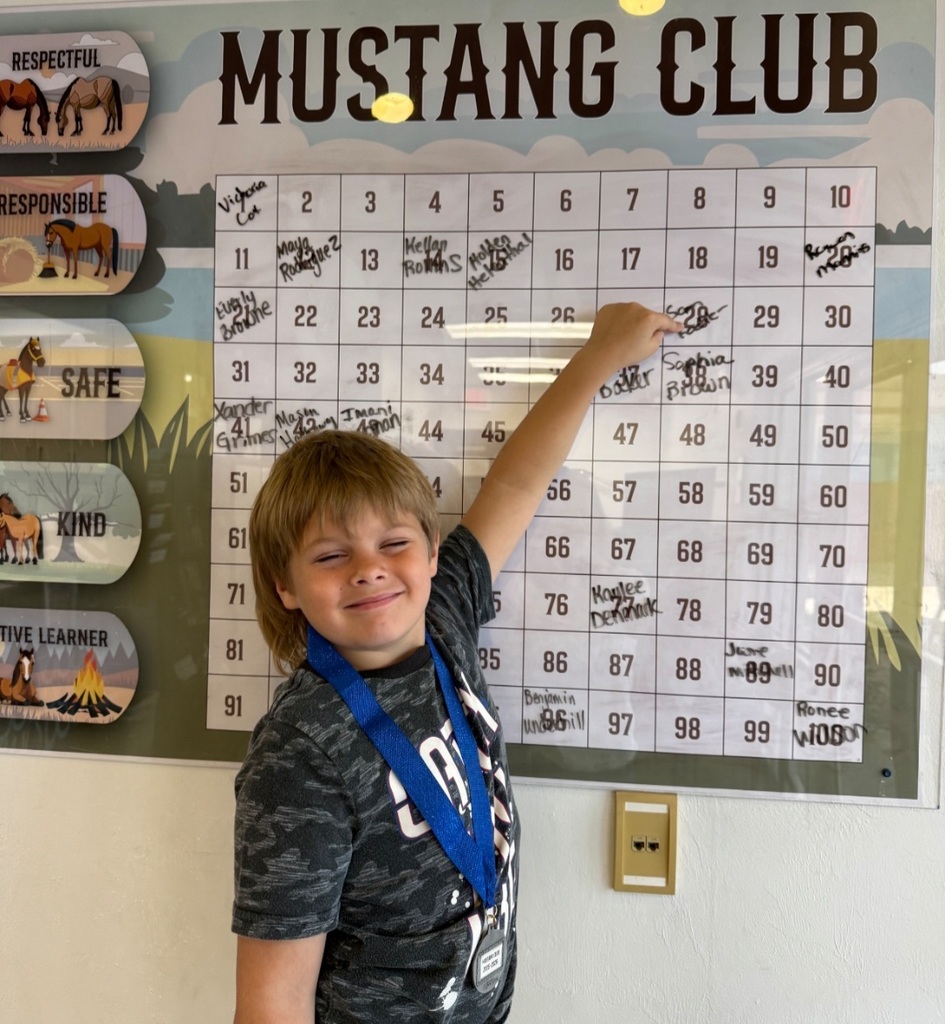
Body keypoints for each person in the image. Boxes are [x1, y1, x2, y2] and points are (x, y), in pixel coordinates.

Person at [232, 302, 683, 1023]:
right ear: (284, 587)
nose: (368, 570)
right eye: (329, 555)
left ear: (434, 553)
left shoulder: (442, 615)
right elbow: (272, 1002)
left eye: (393, 543)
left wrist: (597, 359)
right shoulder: (298, 756)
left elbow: (513, 487)